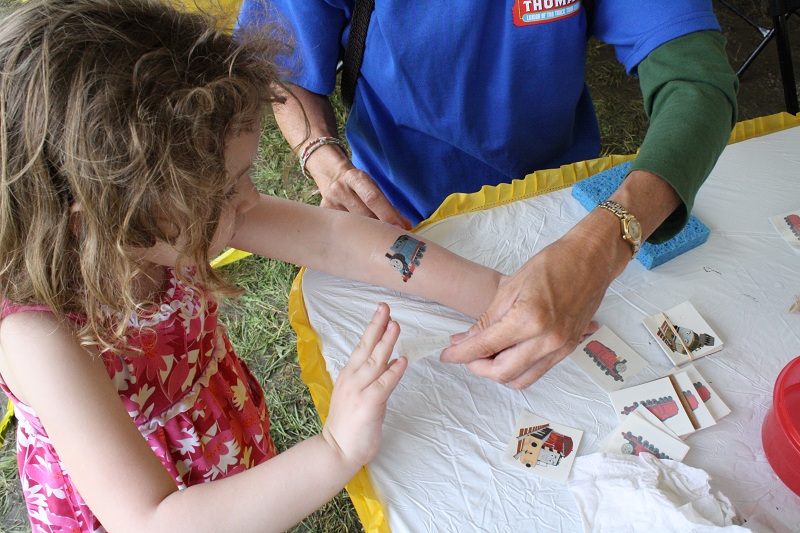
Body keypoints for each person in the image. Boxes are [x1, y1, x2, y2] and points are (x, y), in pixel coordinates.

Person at [0, 1, 503, 531]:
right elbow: (153, 520)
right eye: (224, 188)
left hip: (216, 439)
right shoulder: (39, 340)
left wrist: (494, 293)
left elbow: (335, 239)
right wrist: (335, 449)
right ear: (103, 219)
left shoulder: (163, 222)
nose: (251, 198)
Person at [237, 0, 739, 389]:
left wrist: (599, 246)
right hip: (398, 210)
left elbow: (695, 80)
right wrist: (321, 155)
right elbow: (279, 67)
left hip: (557, 207)